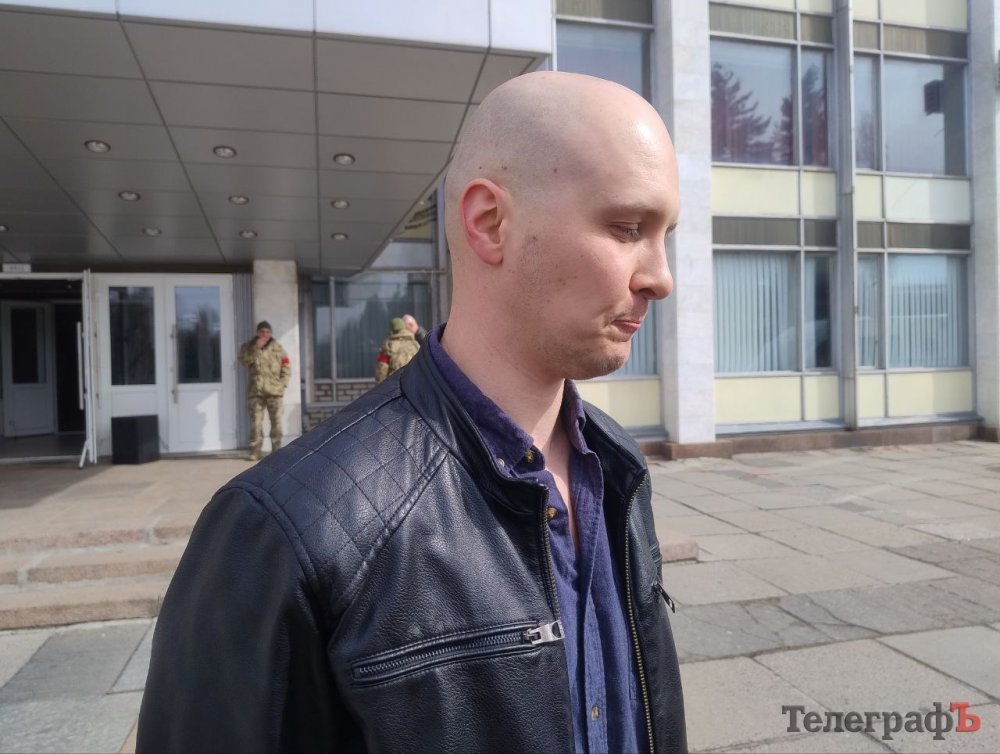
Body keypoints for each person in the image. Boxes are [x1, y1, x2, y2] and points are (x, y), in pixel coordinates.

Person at [137, 71, 685, 753]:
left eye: (665, 235)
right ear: (491, 223)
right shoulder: (283, 529)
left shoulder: (616, 464)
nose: (661, 277)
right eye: (628, 228)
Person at [237, 320, 290, 461]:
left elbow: (286, 367)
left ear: (271, 333)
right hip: (256, 392)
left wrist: (282, 384)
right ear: (257, 333)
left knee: (276, 423)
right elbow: (243, 361)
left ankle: (276, 451)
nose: (265, 334)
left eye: (267, 332)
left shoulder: (278, 348)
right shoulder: (248, 347)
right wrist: (255, 348)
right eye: (262, 332)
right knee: (256, 423)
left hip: (275, 392)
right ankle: (255, 451)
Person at [373, 316, 420, 383]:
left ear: (392, 330)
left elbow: (382, 368)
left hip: (395, 384)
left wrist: (379, 385)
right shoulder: (415, 344)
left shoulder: (388, 345)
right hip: (413, 383)